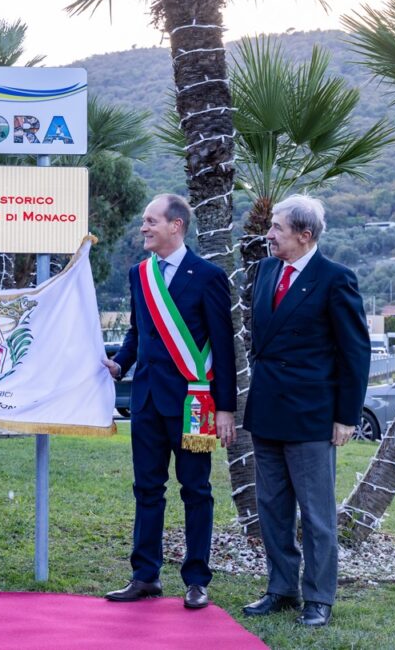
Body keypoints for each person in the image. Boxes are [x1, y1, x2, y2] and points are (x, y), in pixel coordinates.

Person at [103, 194, 236, 610]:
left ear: (175, 225)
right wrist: (120, 363)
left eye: (150, 221)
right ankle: (145, 576)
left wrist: (226, 408)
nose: (143, 228)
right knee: (147, 488)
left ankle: (196, 579)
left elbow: (224, 346)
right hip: (145, 401)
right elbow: (137, 332)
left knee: (196, 490)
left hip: (192, 404)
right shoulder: (139, 274)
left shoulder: (209, 275)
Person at [242, 195, 370, 627]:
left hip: (312, 416)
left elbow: (355, 353)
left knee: (316, 515)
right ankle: (280, 589)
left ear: (304, 235)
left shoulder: (335, 279)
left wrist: (346, 416)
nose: (269, 234)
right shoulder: (263, 272)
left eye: (277, 228)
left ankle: (318, 598)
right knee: (272, 509)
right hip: (267, 412)